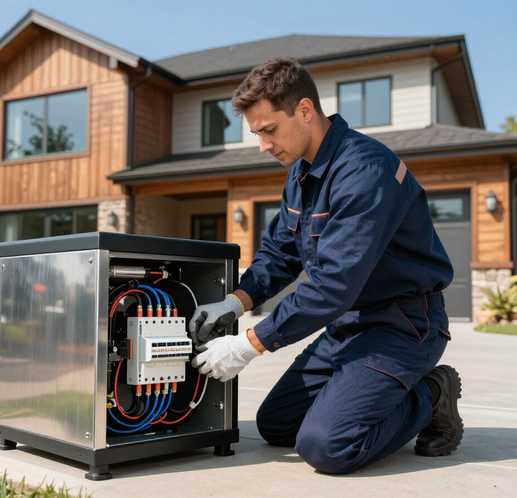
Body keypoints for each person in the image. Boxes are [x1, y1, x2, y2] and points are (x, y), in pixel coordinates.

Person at [189, 56, 464, 474]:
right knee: (276, 424)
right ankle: (357, 396)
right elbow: (280, 254)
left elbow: (335, 283)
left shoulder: (365, 170)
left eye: (268, 130)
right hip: (347, 325)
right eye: (257, 134)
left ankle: (430, 395)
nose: (263, 145)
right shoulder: (299, 175)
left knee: (327, 446)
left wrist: (249, 344)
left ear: (304, 110)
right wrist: (234, 302)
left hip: (402, 326)